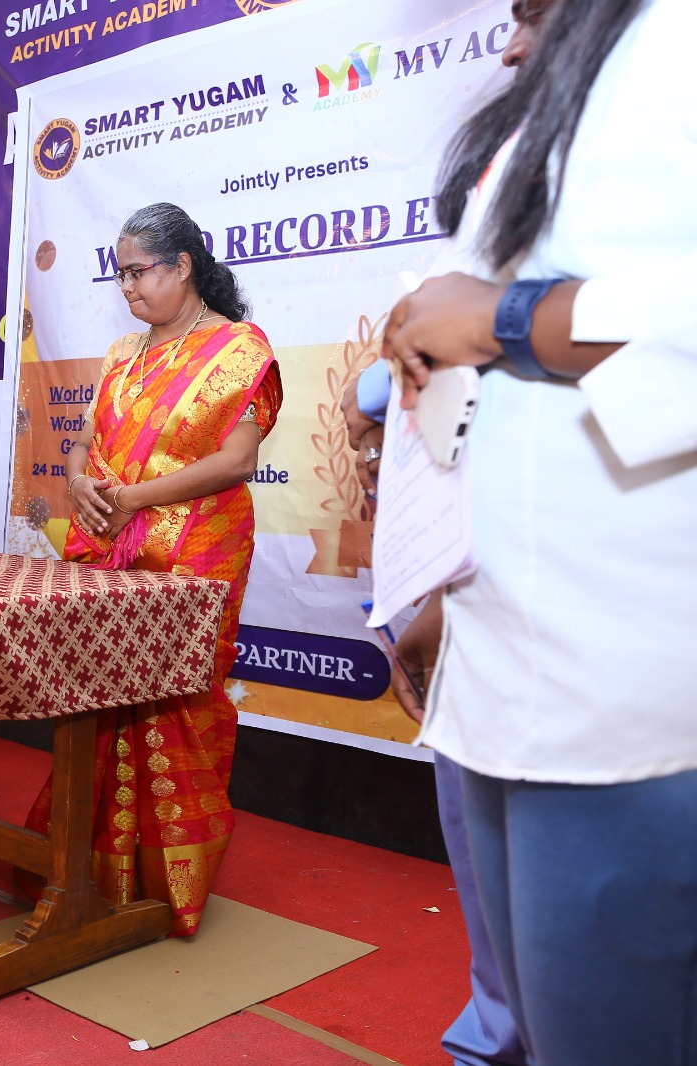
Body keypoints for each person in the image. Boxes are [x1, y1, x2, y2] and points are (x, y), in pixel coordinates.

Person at [381, 0, 697, 1061]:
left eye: (528, 12)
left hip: (629, 690)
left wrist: (505, 320)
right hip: (499, 650)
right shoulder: (561, 94)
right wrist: (439, 595)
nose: (509, 32)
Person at [344, 5, 556, 1061]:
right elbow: (389, 403)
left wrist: (438, 603)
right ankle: (495, 1028)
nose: (508, 47)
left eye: (534, 17)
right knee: (482, 847)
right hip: (450, 602)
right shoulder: (439, 308)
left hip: (527, 611)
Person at [24, 203, 281, 935]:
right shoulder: (119, 355)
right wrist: (79, 483)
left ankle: (167, 884)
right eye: (122, 274)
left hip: (195, 554)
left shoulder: (238, 350)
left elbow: (237, 460)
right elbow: (83, 443)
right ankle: (88, 869)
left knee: (179, 709)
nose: (129, 287)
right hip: (112, 549)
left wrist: (131, 496)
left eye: (140, 272)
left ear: (182, 266)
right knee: (98, 701)